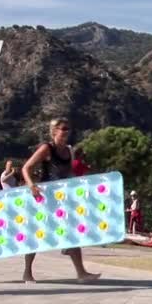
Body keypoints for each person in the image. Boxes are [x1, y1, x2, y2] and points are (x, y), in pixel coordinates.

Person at [21, 117, 100, 283]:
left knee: (72, 232)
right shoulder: (46, 148)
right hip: (44, 197)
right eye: (63, 128)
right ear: (54, 131)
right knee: (36, 234)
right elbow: (26, 168)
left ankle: (81, 273)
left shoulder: (69, 151)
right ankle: (27, 272)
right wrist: (31, 186)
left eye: (68, 128)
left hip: (62, 198)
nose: (66, 131)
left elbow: (69, 173)